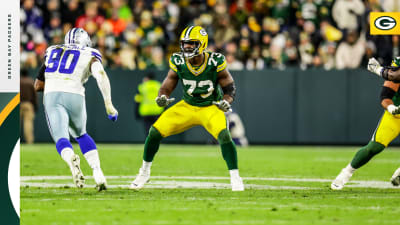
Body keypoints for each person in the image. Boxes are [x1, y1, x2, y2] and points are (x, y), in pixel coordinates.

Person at [130, 25, 244, 191]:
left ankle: (235, 177)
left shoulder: (215, 61)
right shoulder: (178, 60)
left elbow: (229, 87)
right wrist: (163, 96)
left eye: (192, 43)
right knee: (154, 132)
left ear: (202, 44)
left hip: (210, 107)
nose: (187, 47)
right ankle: (144, 172)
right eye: (185, 43)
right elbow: (167, 84)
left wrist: (227, 101)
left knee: (225, 136)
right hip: (187, 106)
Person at [34, 28, 118, 191]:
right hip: (75, 94)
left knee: (61, 138)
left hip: (52, 94)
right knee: (81, 134)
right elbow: (100, 74)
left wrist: (54, 83)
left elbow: (38, 85)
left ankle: (71, 158)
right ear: (85, 41)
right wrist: (108, 103)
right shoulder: (90, 53)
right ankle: (98, 173)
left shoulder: (52, 50)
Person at [331, 57, 400, 189]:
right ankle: (346, 172)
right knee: (374, 147)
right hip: (397, 113)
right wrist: (392, 109)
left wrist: (379, 70)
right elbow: (386, 95)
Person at [20, 69, 38, 144]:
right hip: (28, 104)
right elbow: (34, 95)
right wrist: (35, 106)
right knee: (28, 123)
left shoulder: (18, 82)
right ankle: (29, 141)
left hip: (18, 104)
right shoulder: (30, 81)